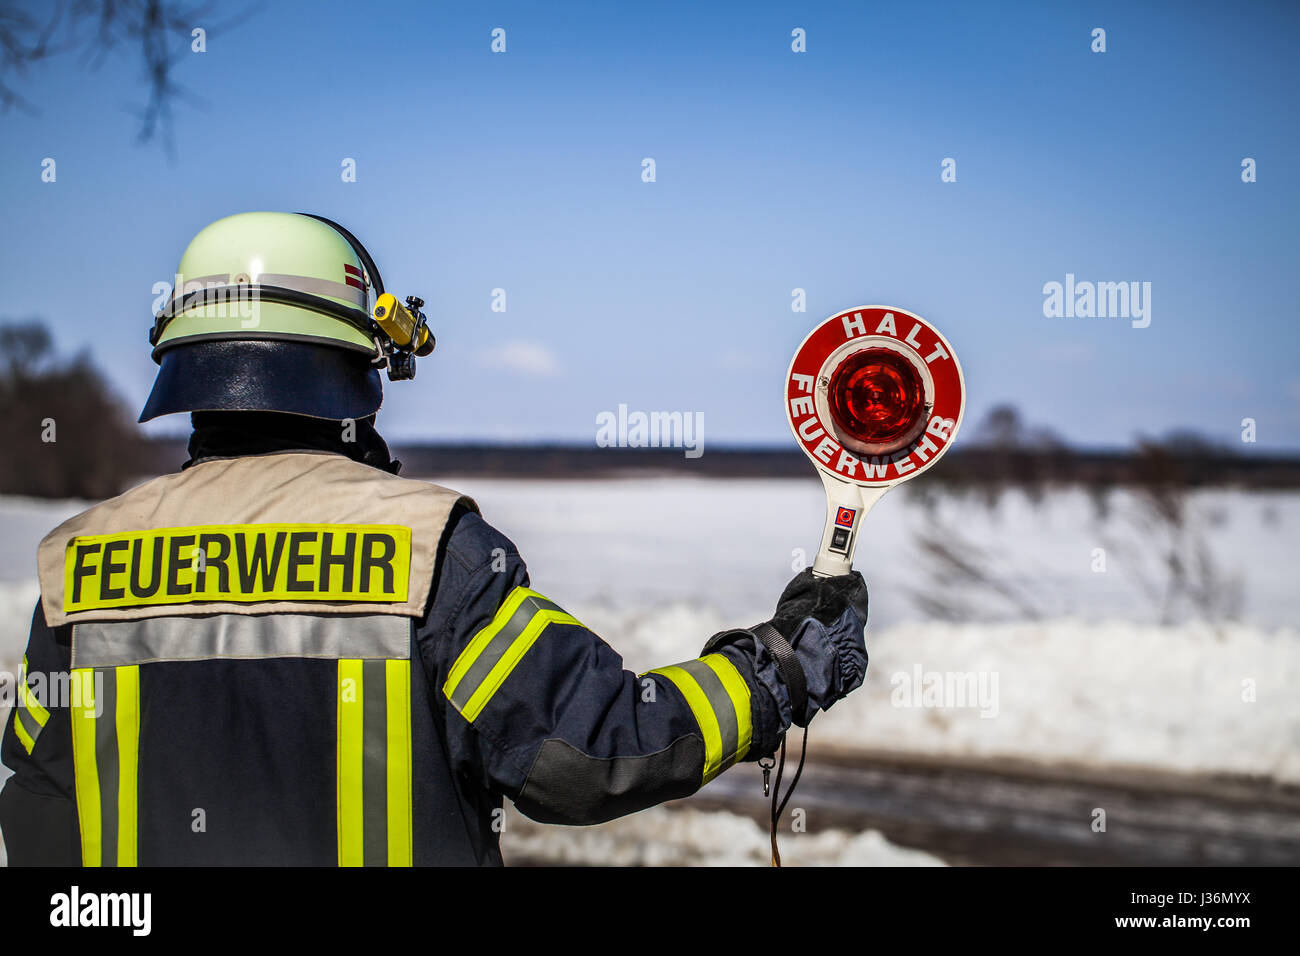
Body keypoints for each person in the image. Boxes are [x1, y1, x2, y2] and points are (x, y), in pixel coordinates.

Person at [0, 212, 868, 866]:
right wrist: (779, 671)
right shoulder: (428, 548)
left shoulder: (77, 565)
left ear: (187, 368)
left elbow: (37, 809)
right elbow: (590, 751)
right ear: (356, 372)